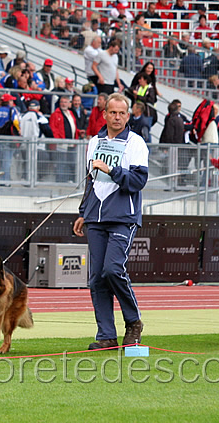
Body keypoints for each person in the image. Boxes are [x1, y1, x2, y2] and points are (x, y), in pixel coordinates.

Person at [73, 93, 148, 350]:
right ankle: (106, 334)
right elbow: (90, 180)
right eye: (112, 112)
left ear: (128, 116)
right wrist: (83, 212)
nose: (117, 117)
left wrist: (112, 170)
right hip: (95, 217)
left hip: (122, 216)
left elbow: (138, 182)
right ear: (104, 114)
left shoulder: (136, 143)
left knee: (113, 269)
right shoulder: (94, 142)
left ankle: (133, 321)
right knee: (96, 279)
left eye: (122, 113)